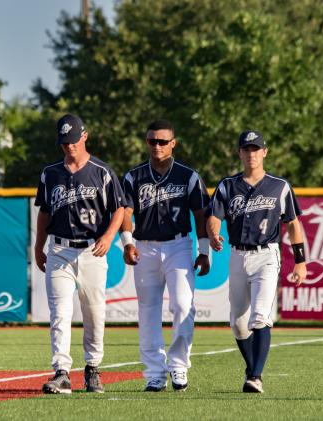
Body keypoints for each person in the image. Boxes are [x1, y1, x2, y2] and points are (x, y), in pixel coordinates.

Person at [206, 130, 307, 393]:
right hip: (237, 255)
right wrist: (214, 233)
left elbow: (294, 224)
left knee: (260, 317)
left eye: (256, 149)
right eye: (246, 149)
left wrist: (300, 261)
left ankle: (256, 376)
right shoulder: (228, 185)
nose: (251, 154)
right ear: (240, 153)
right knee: (238, 323)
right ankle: (252, 369)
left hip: (266, 255)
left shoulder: (279, 186)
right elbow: (214, 216)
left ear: (265, 152)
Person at [34, 114, 126, 394]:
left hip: (91, 250)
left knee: (94, 313)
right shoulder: (50, 173)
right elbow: (44, 211)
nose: (69, 146)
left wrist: (110, 236)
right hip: (60, 249)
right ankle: (61, 372)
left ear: (84, 136)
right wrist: (39, 246)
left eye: (73, 140)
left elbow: (120, 207)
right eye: (64, 142)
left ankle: (92, 369)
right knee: (60, 313)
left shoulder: (102, 171)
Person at [120, 119, 210, 392]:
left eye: (162, 141)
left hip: (178, 245)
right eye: (152, 141)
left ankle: (179, 365)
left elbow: (200, 213)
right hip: (145, 246)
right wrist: (126, 242)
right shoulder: (133, 176)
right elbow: (125, 211)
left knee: (184, 305)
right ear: (146, 142)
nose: (157, 146)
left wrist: (204, 251)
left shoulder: (188, 175)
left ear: (173, 143)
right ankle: (154, 373)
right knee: (148, 311)